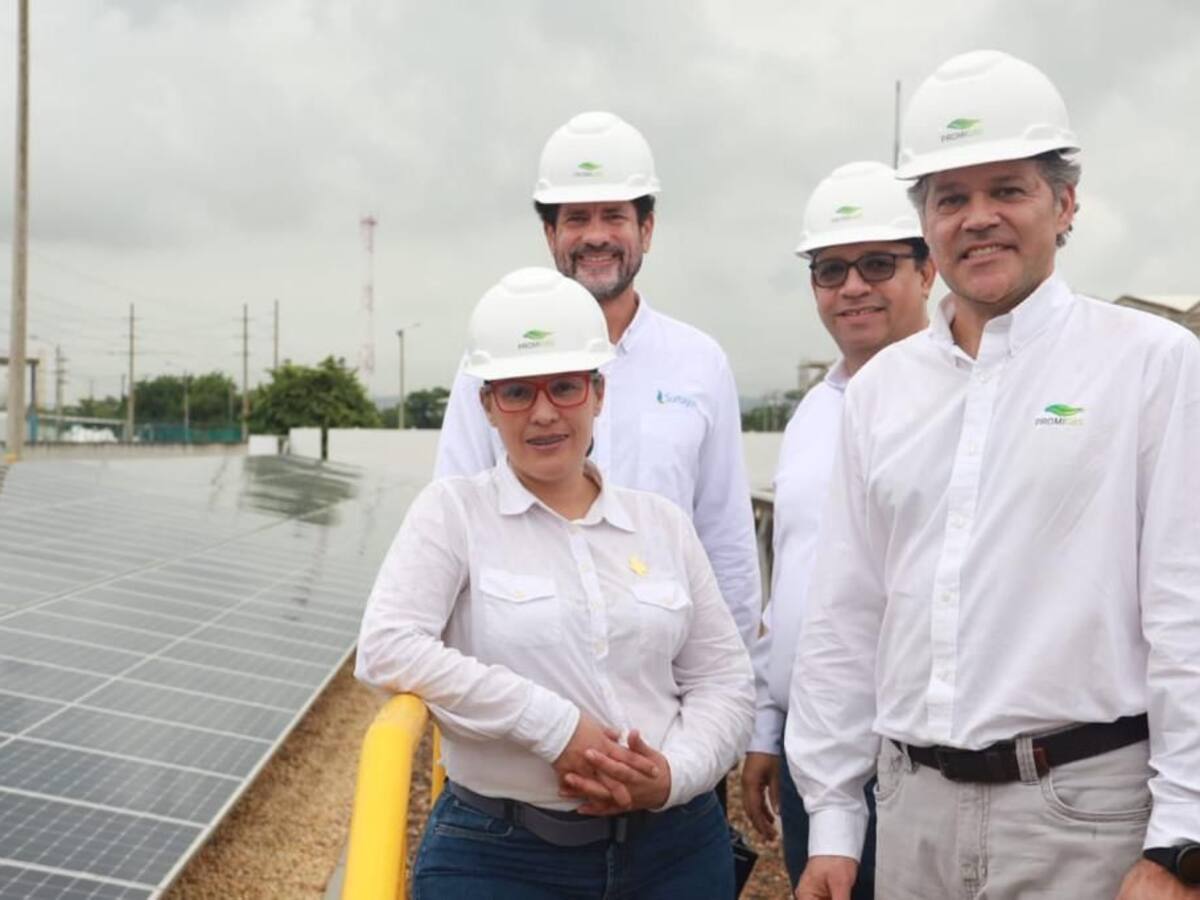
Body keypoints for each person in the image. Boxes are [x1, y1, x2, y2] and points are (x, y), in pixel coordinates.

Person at [786, 49, 1200, 900]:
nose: (978, 218)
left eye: (1007, 190)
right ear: (927, 224)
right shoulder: (883, 393)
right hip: (912, 814)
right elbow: (845, 617)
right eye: (951, 197)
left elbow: (1186, 612)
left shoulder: (1151, 367)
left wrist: (1182, 840)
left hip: (1086, 815)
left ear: (1066, 203)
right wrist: (833, 821)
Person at [357, 267, 754, 898]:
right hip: (501, 859)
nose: (543, 414)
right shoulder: (455, 513)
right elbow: (387, 646)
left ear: (599, 393)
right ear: (487, 404)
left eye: (565, 387)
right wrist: (553, 727)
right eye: (517, 392)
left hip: (675, 852)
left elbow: (724, 681)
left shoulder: (663, 526)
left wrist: (673, 776)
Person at [435, 111, 761, 651]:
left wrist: (735, 702)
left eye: (614, 216)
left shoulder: (699, 363)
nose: (595, 237)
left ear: (647, 229)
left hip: (665, 690)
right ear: (550, 234)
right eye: (576, 218)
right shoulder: (493, 362)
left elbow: (726, 546)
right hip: (529, 682)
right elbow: (450, 527)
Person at [740, 161, 935, 897]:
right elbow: (789, 585)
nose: (851, 286)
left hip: (914, 762)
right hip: (811, 753)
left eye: (878, 264)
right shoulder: (814, 414)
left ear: (928, 269)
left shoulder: (958, 402)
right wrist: (769, 726)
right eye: (829, 270)